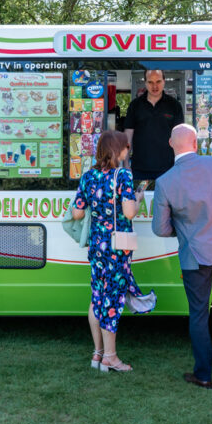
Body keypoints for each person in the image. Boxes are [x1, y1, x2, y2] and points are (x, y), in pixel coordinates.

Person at [151, 124, 212, 388]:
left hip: (194, 254)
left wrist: (183, 230)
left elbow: (160, 228)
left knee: (198, 314)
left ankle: (203, 375)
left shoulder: (165, 181)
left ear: (171, 144)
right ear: (196, 143)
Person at [71, 129, 146, 372]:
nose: (128, 152)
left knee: (97, 298)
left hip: (97, 246)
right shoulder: (123, 175)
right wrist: (138, 198)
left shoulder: (89, 176)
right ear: (117, 150)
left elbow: (77, 213)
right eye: (126, 148)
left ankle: (97, 354)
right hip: (117, 248)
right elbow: (129, 212)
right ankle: (111, 358)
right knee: (112, 300)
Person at [123, 70, 185, 181]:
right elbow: (128, 137)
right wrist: (126, 163)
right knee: (139, 199)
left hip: (168, 169)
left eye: (158, 81)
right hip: (139, 169)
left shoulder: (174, 105)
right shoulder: (135, 105)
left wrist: (180, 164)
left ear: (164, 81)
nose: (155, 86)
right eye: (150, 82)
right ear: (145, 82)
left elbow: (180, 138)